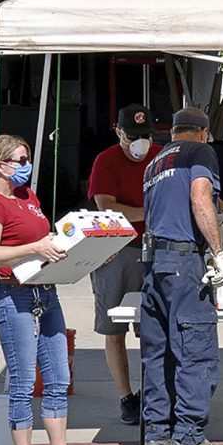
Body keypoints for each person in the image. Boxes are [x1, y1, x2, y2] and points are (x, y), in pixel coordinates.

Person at [0, 135, 103, 445]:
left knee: (58, 377)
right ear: (1, 165)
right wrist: (35, 247)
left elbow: (45, 240)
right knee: (24, 381)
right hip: (13, 296)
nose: (27, 164)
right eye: (21, 158)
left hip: (46, 291)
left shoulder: (28, 197)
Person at [139, 107, 223, 445]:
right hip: (183, 262)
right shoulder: (201, 152)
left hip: (154, 264)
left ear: (173, 132)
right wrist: (219, 252)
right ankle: (189, 437)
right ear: (204, 132)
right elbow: (199, 197)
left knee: (157, 352)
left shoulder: (155, 162)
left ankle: (157, 436)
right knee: (196, 348)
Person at [87, 103, 161, 425]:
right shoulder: (105, 161)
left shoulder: (161, 156)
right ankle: (126, 397)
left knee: (153, 328)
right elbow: (108, 209)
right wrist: (155, 209)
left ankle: (154, 392)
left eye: (144, 136)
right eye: (132, 136)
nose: (139, 143)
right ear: (119, 132)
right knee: (113, 329)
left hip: (155, 250)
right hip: (116, 251)